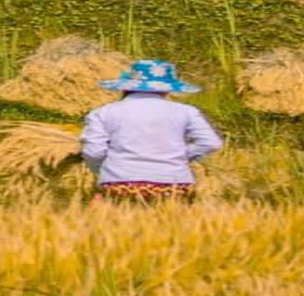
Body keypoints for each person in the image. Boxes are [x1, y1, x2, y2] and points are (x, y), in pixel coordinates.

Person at [81, 59, 222, 201]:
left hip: (119, 182)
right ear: (167, 89)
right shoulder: (187, 111)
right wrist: (180, 156)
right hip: (174, 183)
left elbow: (94, 152)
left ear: (126, 87)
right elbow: (211, 143)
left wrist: (101, 171)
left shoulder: (103, 112)